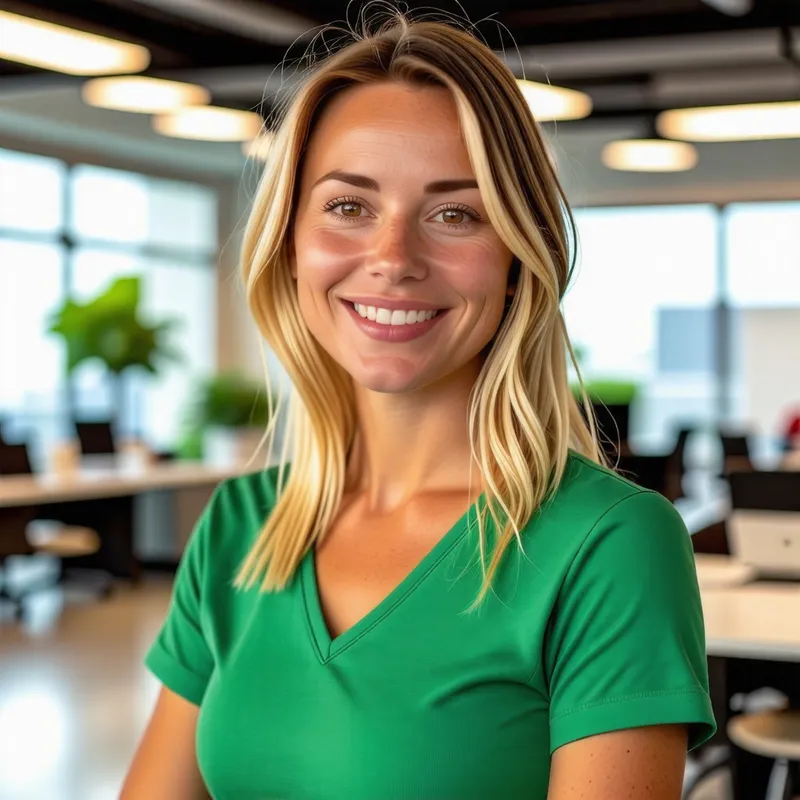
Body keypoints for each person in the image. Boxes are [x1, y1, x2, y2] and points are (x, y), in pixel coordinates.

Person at [122, 15, 715, 800]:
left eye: (455, 213)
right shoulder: (241, 526)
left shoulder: (607, 545)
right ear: (291, 243)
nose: (393, 258)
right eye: (348, 206)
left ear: (517, 259)